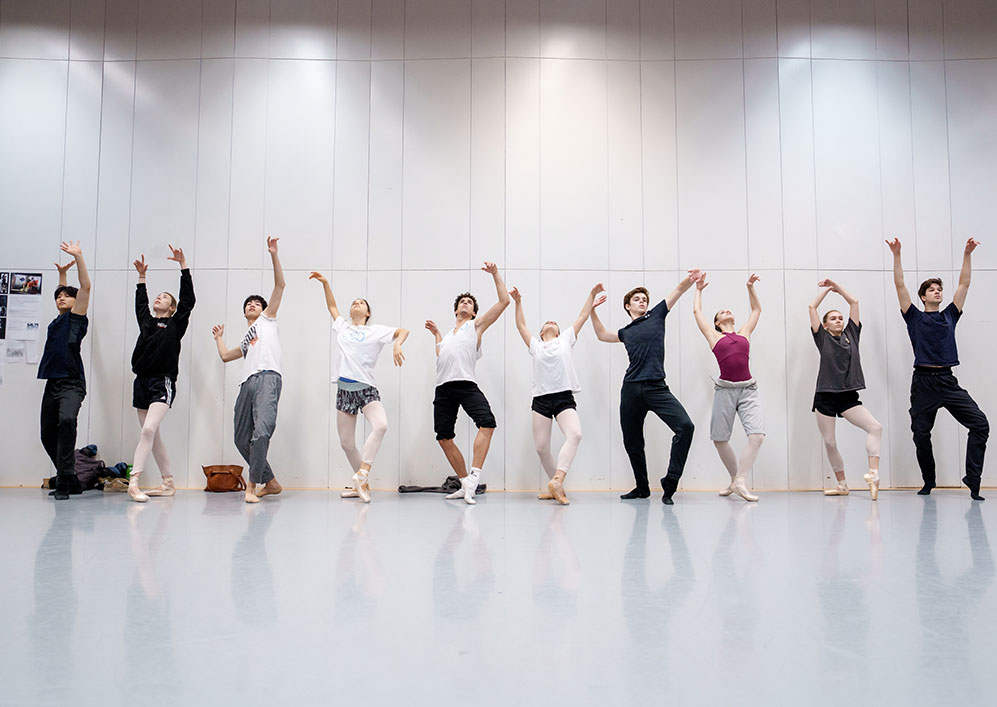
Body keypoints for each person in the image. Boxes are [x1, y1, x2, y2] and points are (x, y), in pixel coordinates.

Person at [888, 237, 988, 500]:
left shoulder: (950, 315)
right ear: (923, 297)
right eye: (931, 290)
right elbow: (899, 284)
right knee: (921, 435)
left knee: (980, 424)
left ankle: (972, 479)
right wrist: (897, 255)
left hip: (946, 380)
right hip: (922, 382)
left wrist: (967, 253)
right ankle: (928, 481)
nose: (937, 292)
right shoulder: (914, 316)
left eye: (938, 289)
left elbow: (964, 283)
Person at [589, 271, 701, 505]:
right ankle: (642, 488)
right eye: (637, 299)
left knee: (685, 426)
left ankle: (670, 481)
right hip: (630, 389)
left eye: (645, 299)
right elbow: (601, 335)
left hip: (656, 387)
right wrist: (591, 310)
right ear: (628, 306)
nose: (643, 301)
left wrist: (692, 279)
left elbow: (677, 290)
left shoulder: (656, 316)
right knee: (632, 441)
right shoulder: (626, 332)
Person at [309, 272, 408, 503]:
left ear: (368, 313)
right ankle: (361, 485)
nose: (357, 303)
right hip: (344, 389)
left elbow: (403, 331)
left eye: (361, 302)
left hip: (366, 389)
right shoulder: (342, 327)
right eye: (354, 301)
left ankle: (362, 474)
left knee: (381, 425)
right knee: (346, 444)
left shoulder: (375, 331)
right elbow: (332, 307)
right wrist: (325, 284)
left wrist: (397, 345)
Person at [509, 284, 604, 505]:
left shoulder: (566, 340)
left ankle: (557, 480)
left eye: (555, 323)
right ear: (541, 333)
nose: (551, 323)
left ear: (560, 333)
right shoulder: (536, 346)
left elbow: (582, 316)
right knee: (541, 449)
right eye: (547, 323)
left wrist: (591, 294)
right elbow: (521, 325)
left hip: (563, 398)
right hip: (541, 399)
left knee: (575, 434)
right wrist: (518, 301)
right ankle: (555, 487)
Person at [425, 262, 510, 505]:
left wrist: (495, 274)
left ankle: (473, 476)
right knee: (443, 437)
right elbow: (442, 356)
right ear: (455, 311)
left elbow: (504, 302)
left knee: (487, 423)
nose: (465, 302)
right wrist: (437, 335)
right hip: (443, 388)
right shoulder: (449, 336)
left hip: (466, 385)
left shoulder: (475, 326)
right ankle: (464, 483)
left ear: (474, 312)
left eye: (469, 302)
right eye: (461, 301)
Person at [211, 237, 286, 503]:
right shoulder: (247, 336)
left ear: (265, 309)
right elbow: (225, 356)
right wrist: (219, 336)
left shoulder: (268, 320)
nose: (252, 305)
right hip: (247, 383)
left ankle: (252, 487)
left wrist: (274, 255)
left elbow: (280, 285)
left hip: (267, 378)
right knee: (241, 438)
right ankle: (272, 482)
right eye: (248, 303)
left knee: (261, 432)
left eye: (257, 303)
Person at [126, 245, 196, 502]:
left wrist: (183, 266)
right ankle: (168, 483)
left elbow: (188, 300)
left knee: (148, 431)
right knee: (152, 435)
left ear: (172, 306)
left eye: (165, 297)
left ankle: (134, 482)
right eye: (159, 296)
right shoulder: (146, 322)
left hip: (161, 382)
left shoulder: (175, 324)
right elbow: (140, 303)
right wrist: (142, 277)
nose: (159, 298)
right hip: (141, 382)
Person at [691, 273, 764, 502]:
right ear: (716, 323)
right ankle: (736, 480)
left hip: (748, 389)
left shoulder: (745, 333)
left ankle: (740, 480)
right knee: (720, 439)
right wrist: (699, 290)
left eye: (728, 310)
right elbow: (697, 313)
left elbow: (756, 311)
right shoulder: (713, 336)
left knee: (757, 436)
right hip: (725, 390)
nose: (726, 311)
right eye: (721, 312)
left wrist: (750, 287)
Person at [808, 278, 883, 498]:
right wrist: (826, 292)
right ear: (825, 325)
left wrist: (838, 289)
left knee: (875, 428)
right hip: (826, 396)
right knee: (830, 442)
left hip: (848, 396)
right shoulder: (821, 338)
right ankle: (842, 485)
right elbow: (812, 307)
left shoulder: (852, 334)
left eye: (840, 318)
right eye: (833, 318)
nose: (839, 320)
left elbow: (854, 303)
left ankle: (873, 474)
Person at [38, 242, 91, 500]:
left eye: (66, 296)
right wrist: (61, 276)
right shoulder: (57, 321)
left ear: (75, 303)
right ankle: (69, 476)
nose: (61, 298)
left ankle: (64, 483)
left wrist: (78, 257)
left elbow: (85, 288)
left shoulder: (76, 318)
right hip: (52, 383)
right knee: (47, 433)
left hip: (72, 383)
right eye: (58, 296)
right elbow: (63, 291)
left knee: (67, 422)